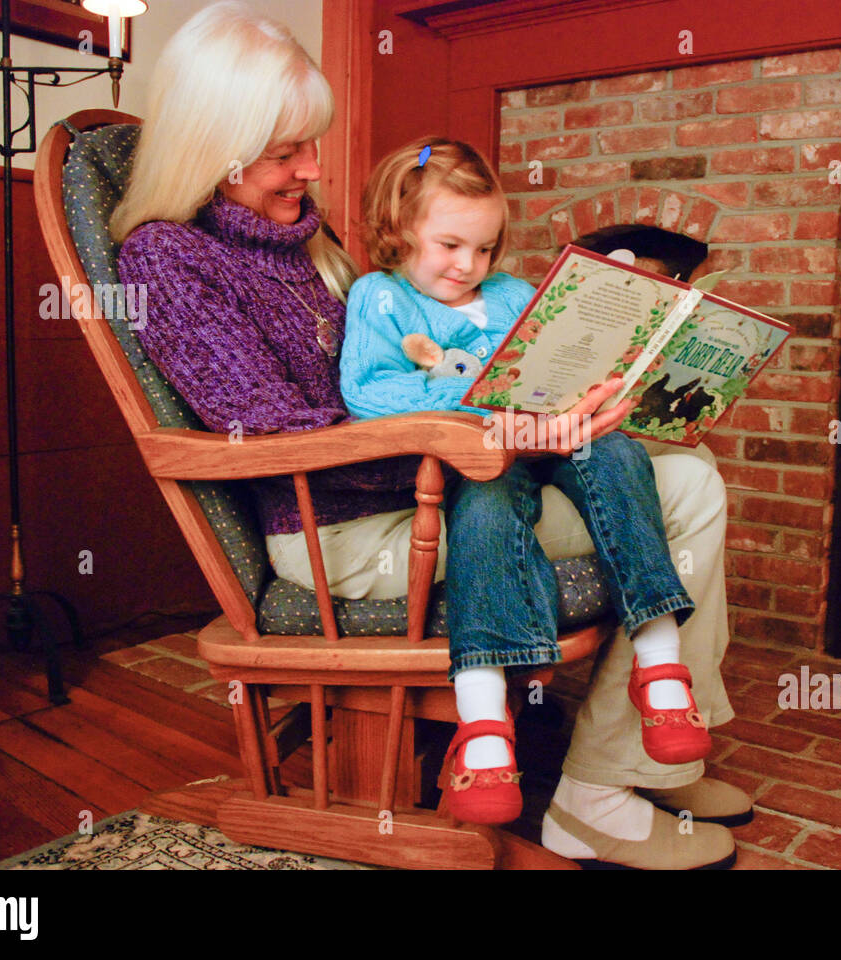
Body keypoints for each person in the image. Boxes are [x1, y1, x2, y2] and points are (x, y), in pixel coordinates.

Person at [112, 0, 748, 869]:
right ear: (212, 140)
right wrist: (489, 433)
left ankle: (655, 757)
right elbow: (265, 430)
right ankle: (601, 790)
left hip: (434, 477)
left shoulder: (307, 242)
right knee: (688, 493)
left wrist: (563, 404)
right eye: (285, 148)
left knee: (685, 462)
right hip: (342, 523)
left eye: (312, 141)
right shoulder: (170, 259)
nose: (311, 165)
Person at [339, 138, 714, 829]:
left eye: (484, 250)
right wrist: (479, 407)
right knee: (485, 505)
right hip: (473, 460)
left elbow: (560, 349)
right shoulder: (381, 298)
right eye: (451, 245)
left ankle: (660, 666)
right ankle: (483, 723)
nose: (469, 266)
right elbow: (367, 394)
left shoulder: (511, 292)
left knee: (623, 456)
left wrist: (603, 387)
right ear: (396, 229)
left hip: (556, 434)